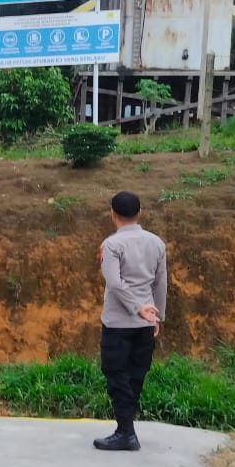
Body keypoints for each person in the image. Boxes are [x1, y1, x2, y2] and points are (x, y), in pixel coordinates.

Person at [94, 191, 167, 452]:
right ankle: (127, 429)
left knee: (116, 374)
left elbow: (114, 283)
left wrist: (138, 309)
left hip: (117, 323)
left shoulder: (112, 245)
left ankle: (126, 432)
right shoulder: (157, 243)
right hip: (144, 325)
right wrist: (155, 315)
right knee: (135, 375)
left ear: (112, 214)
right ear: (140, 212)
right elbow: (161, 282)